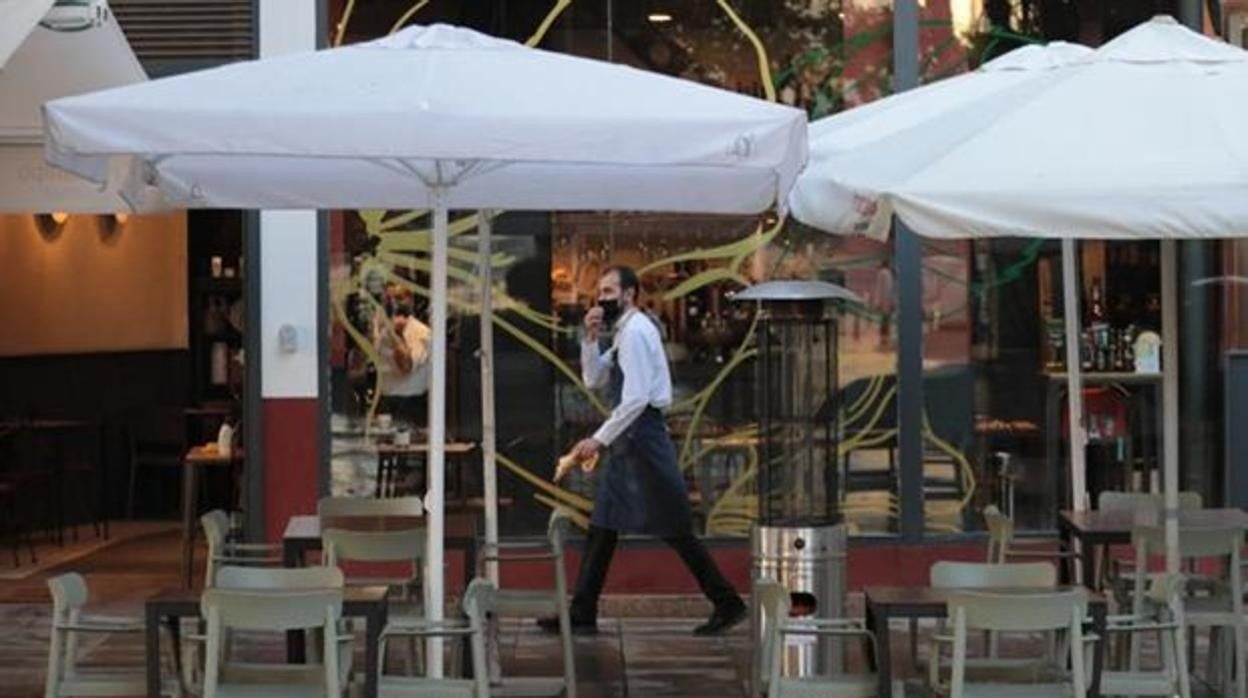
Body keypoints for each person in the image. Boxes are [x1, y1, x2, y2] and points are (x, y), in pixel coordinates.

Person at [540, 266, 747, 636]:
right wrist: (589, 339)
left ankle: (727, 601)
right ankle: (583, 611)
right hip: (631, 440)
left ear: (630, 295)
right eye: (599, 291)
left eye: (609, 291)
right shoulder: (622, 333)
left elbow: (635, 399)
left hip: (644, 439)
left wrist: (598, 439)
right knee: (603, 526)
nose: (602, 298)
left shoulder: (635, 333)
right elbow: (594, 379)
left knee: (676, 529)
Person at [375, 300, 431, 429]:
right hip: (387, 400)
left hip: (408, 403)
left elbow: (406, 365)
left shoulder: (419, 333)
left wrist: (395, 335)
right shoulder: (385, 333)